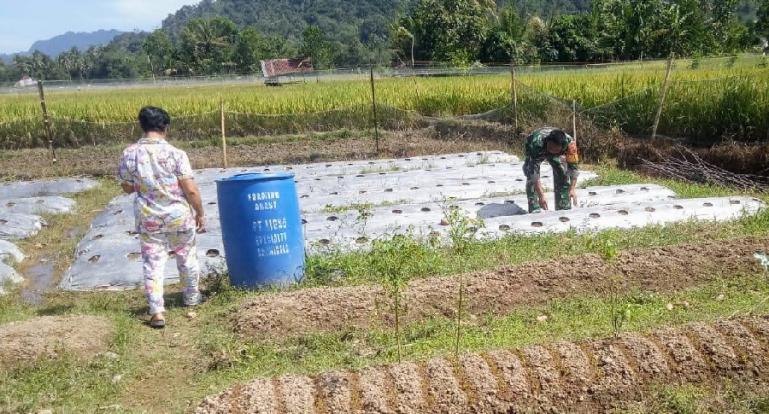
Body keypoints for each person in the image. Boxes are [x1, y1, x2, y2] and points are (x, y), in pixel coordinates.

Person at [118, 106, 206, 329]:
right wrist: (200, 212)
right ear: (165, 127)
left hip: (149, 220)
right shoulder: (176, 154)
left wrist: (143, 185)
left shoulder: (129, 154)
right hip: (178, 217)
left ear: (142, 126)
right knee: (187, 258)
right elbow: (190, 189)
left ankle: (157, 310)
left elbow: (126, 187)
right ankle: (191, 297)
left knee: (153, 264)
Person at [522, 127, 580, 213]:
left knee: (563, 172)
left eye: (555, 149)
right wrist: (541, 196)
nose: (552, 151)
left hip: (557, 153)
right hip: (537, 149)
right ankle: (535, 206)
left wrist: (572, 189)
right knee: (530, 176)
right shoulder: (536, 143)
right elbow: (534, 173)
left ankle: (563, 205)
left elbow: (573, 168)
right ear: (548, 142)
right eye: (551, 147)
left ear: (562, 146)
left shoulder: (570, 145)